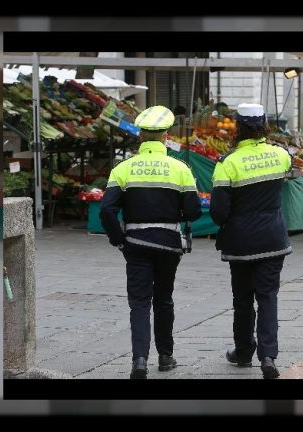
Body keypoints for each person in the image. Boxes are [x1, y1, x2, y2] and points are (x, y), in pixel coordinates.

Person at [100, 105, 202, 379]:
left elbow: (107, 210)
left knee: (139, 303)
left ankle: (140, 361)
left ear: (141, 136)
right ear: (166, 135)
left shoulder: (123, 169)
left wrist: (119, 240)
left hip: (135, 243)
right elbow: (193, 211)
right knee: (164, 299)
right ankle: (166, 356)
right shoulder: (181, 169)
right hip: (169, 244)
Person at [209, 103, 292, 379]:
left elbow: (219, 212)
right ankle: (268, 356)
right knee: (268, 297)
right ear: (265, 125)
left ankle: (243, 352)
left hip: (241, 242)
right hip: (273, 238)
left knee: (243, 299)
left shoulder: (227, 162)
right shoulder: (281, 155)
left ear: (237, 127)